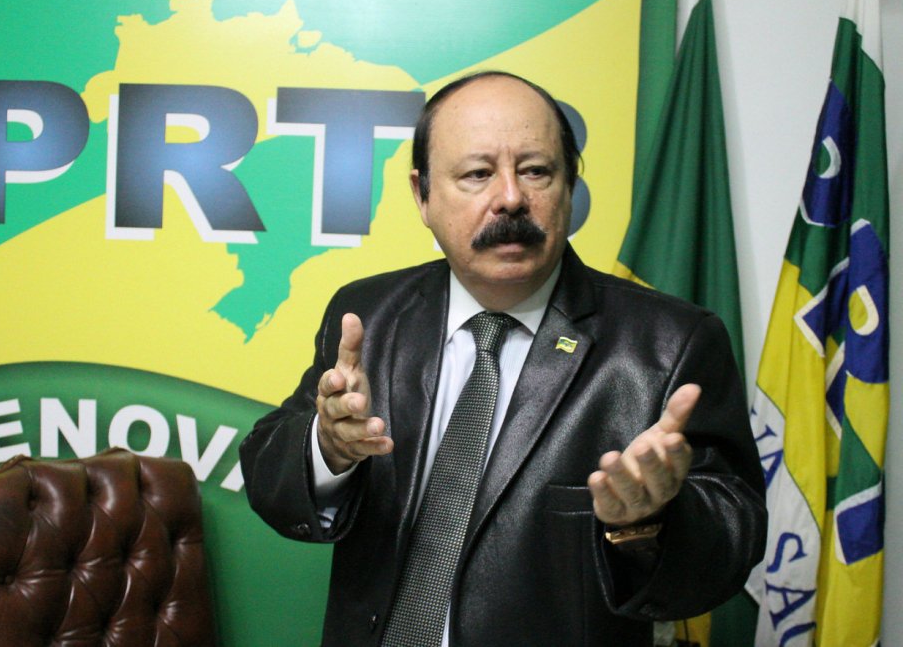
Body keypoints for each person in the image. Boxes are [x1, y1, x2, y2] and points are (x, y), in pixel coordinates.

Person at [239, 71, 766, 646]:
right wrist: (328, 448)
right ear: (422, 194)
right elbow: (268, 476)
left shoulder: (670, 344)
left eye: (536, 170)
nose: (511, 197)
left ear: (570, 186)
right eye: (478, 174)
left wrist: (647, 521)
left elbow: (732, 542)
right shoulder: (369, 315)